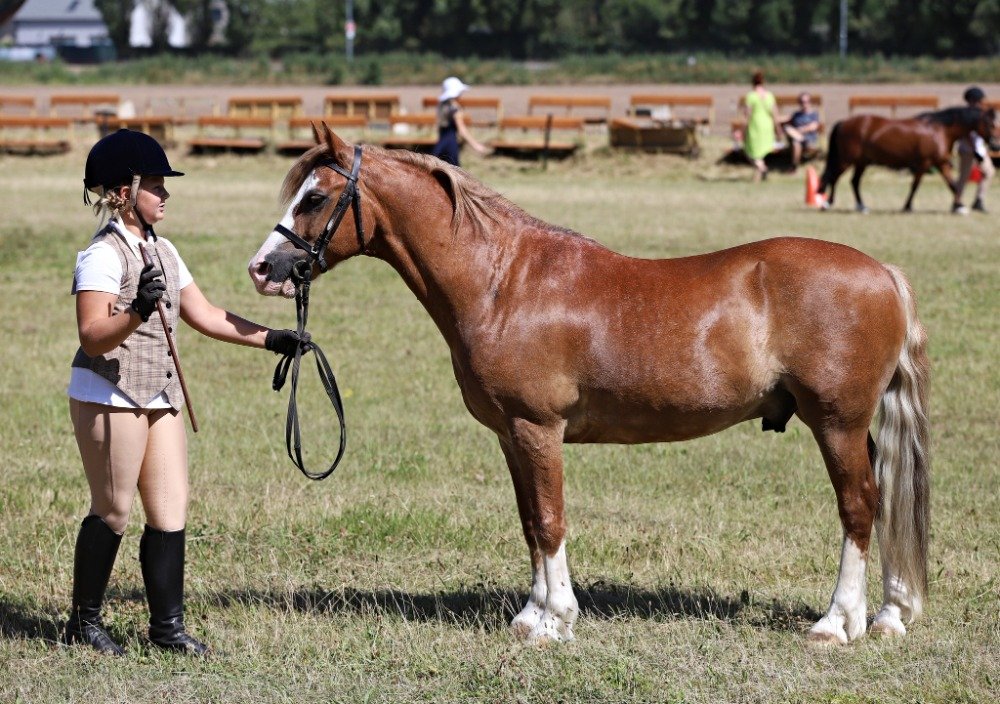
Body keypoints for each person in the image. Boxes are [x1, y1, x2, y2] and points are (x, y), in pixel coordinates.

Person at [65, 129, 308, 656]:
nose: (166, 194)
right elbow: (90, 334)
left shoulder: (166, 249)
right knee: (114, 510)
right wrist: (134, 313)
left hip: (160, 393)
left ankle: (167, 628)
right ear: (123, 193)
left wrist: (273, 339)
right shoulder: (102, 255)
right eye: (155, 185)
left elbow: (204, 314)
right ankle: (83, 622)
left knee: (170, 512)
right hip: (109, 392)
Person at [952, 85, 994, 214]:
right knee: (963, 177)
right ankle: (957, 202)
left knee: (989, 172)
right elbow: (966, 135)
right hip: (967, 150)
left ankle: (978, 200)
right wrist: (974, 150)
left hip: (980, 149)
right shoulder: (965, 115)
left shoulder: (982, 114)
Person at [431, 76, 489, 167]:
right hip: (451, 144)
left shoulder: (441, 106)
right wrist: (475, 145)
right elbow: (462, 130)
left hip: (441, 143)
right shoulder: (455, 109)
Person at [739, 70, 781, 182]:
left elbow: (746, 115)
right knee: (760, 154)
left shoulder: (751, 96)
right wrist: (778, 130)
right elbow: (775, 115)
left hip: (755, 126)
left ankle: (762, 168)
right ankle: (757, 178)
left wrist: (742, 130)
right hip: (768, 126)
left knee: (750, 152)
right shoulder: (770, 96)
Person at [781, 92, 821, 172]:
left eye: (806, 101)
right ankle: (795, 165)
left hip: (809, 140)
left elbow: (813, 126)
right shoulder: (796, 114)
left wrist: (799, 131)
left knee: (796, 141)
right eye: (802, 102)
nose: (804, 104)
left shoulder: (814, 114)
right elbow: (785, 119)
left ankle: (793, 166)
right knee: (789, 131)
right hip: (797, 138)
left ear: (810, 102)